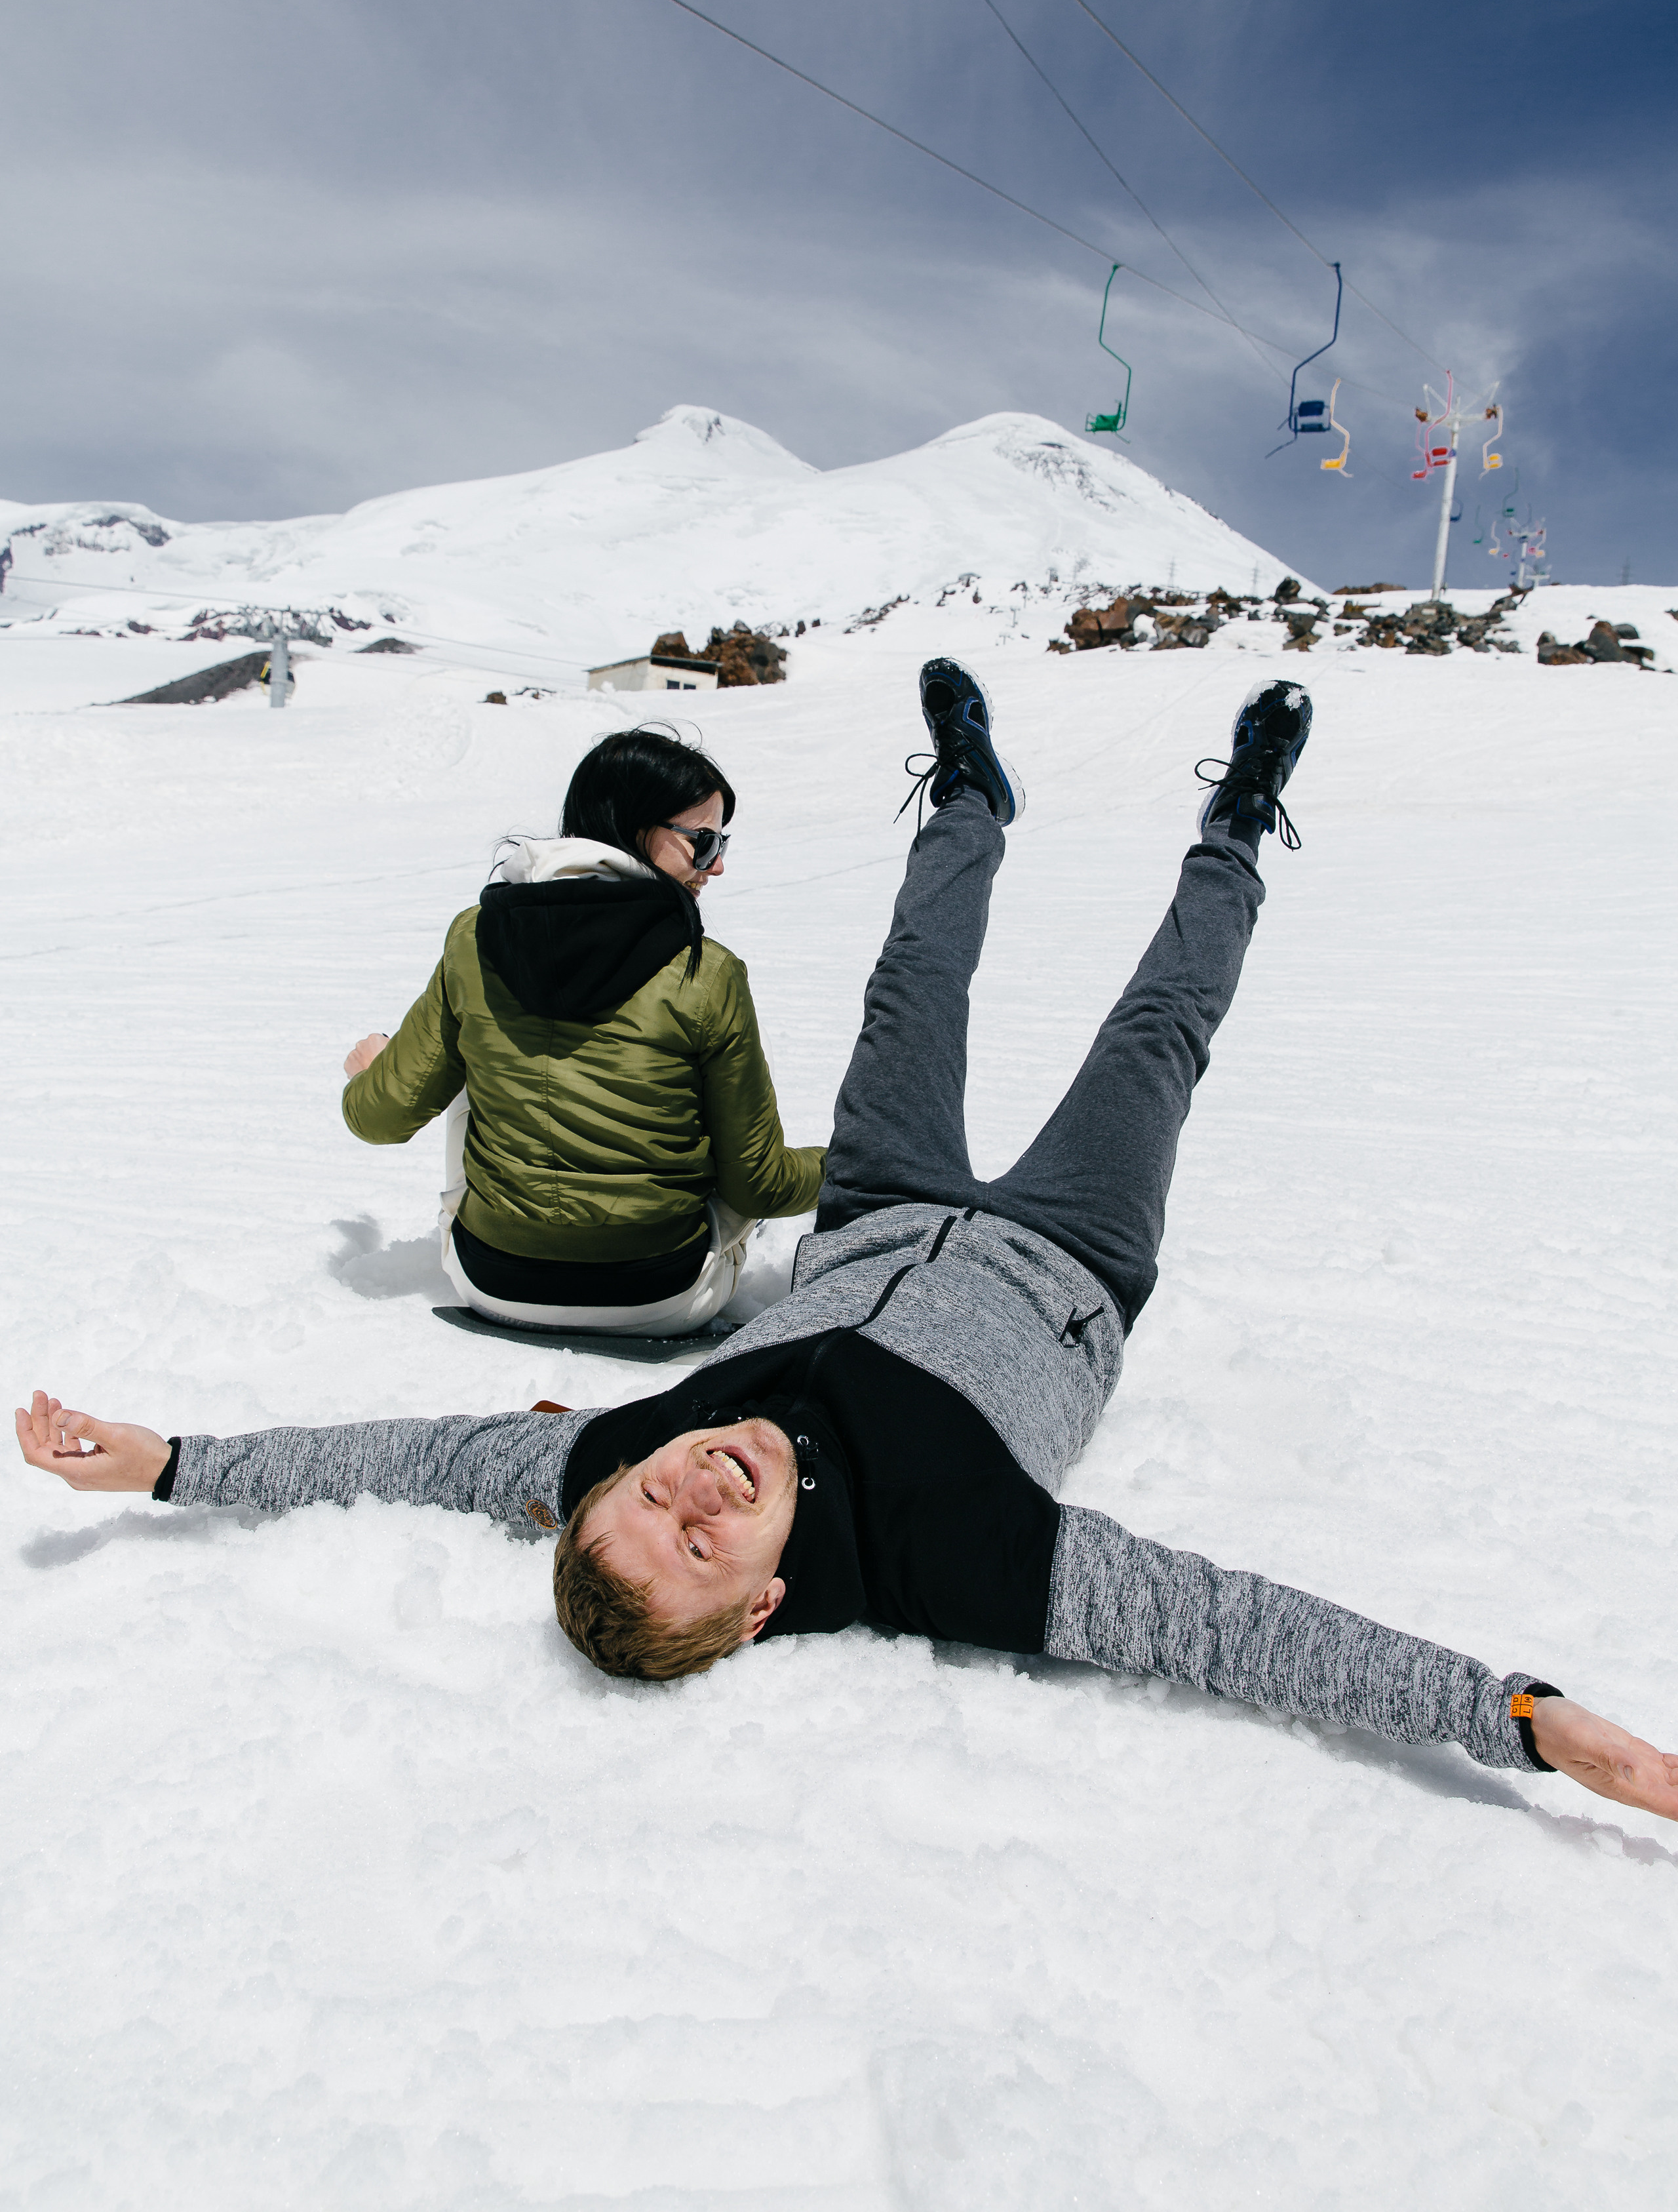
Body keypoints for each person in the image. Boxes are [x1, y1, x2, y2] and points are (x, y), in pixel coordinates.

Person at [16, 666, 1678, 1825]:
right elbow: (1244, 1630)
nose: (690, 1489)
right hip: (1063, 1261)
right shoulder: (960, 1561)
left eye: (636, 1498)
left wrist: (168, 1461)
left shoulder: (613, 1448)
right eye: (698, 1545)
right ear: (756, 1614)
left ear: (587, 1486)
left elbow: (392, 1452)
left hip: (876, 1208)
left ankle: (968, 793)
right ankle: (1239, 817)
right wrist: (1522, 1720)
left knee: (907, 984)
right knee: (1157, 1027)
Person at [339, 726, 823, 1336]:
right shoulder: (707, 971)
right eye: (702, 843)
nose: (718, 865)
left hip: (492, 1280)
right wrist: (852, 1163)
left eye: (720, 842)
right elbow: (759, 1187)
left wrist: (378, 1070)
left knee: (475, 1054)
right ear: (635, 827)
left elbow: (379, 1118)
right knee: (718, 1068)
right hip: (663, 1295)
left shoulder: (476, 938)